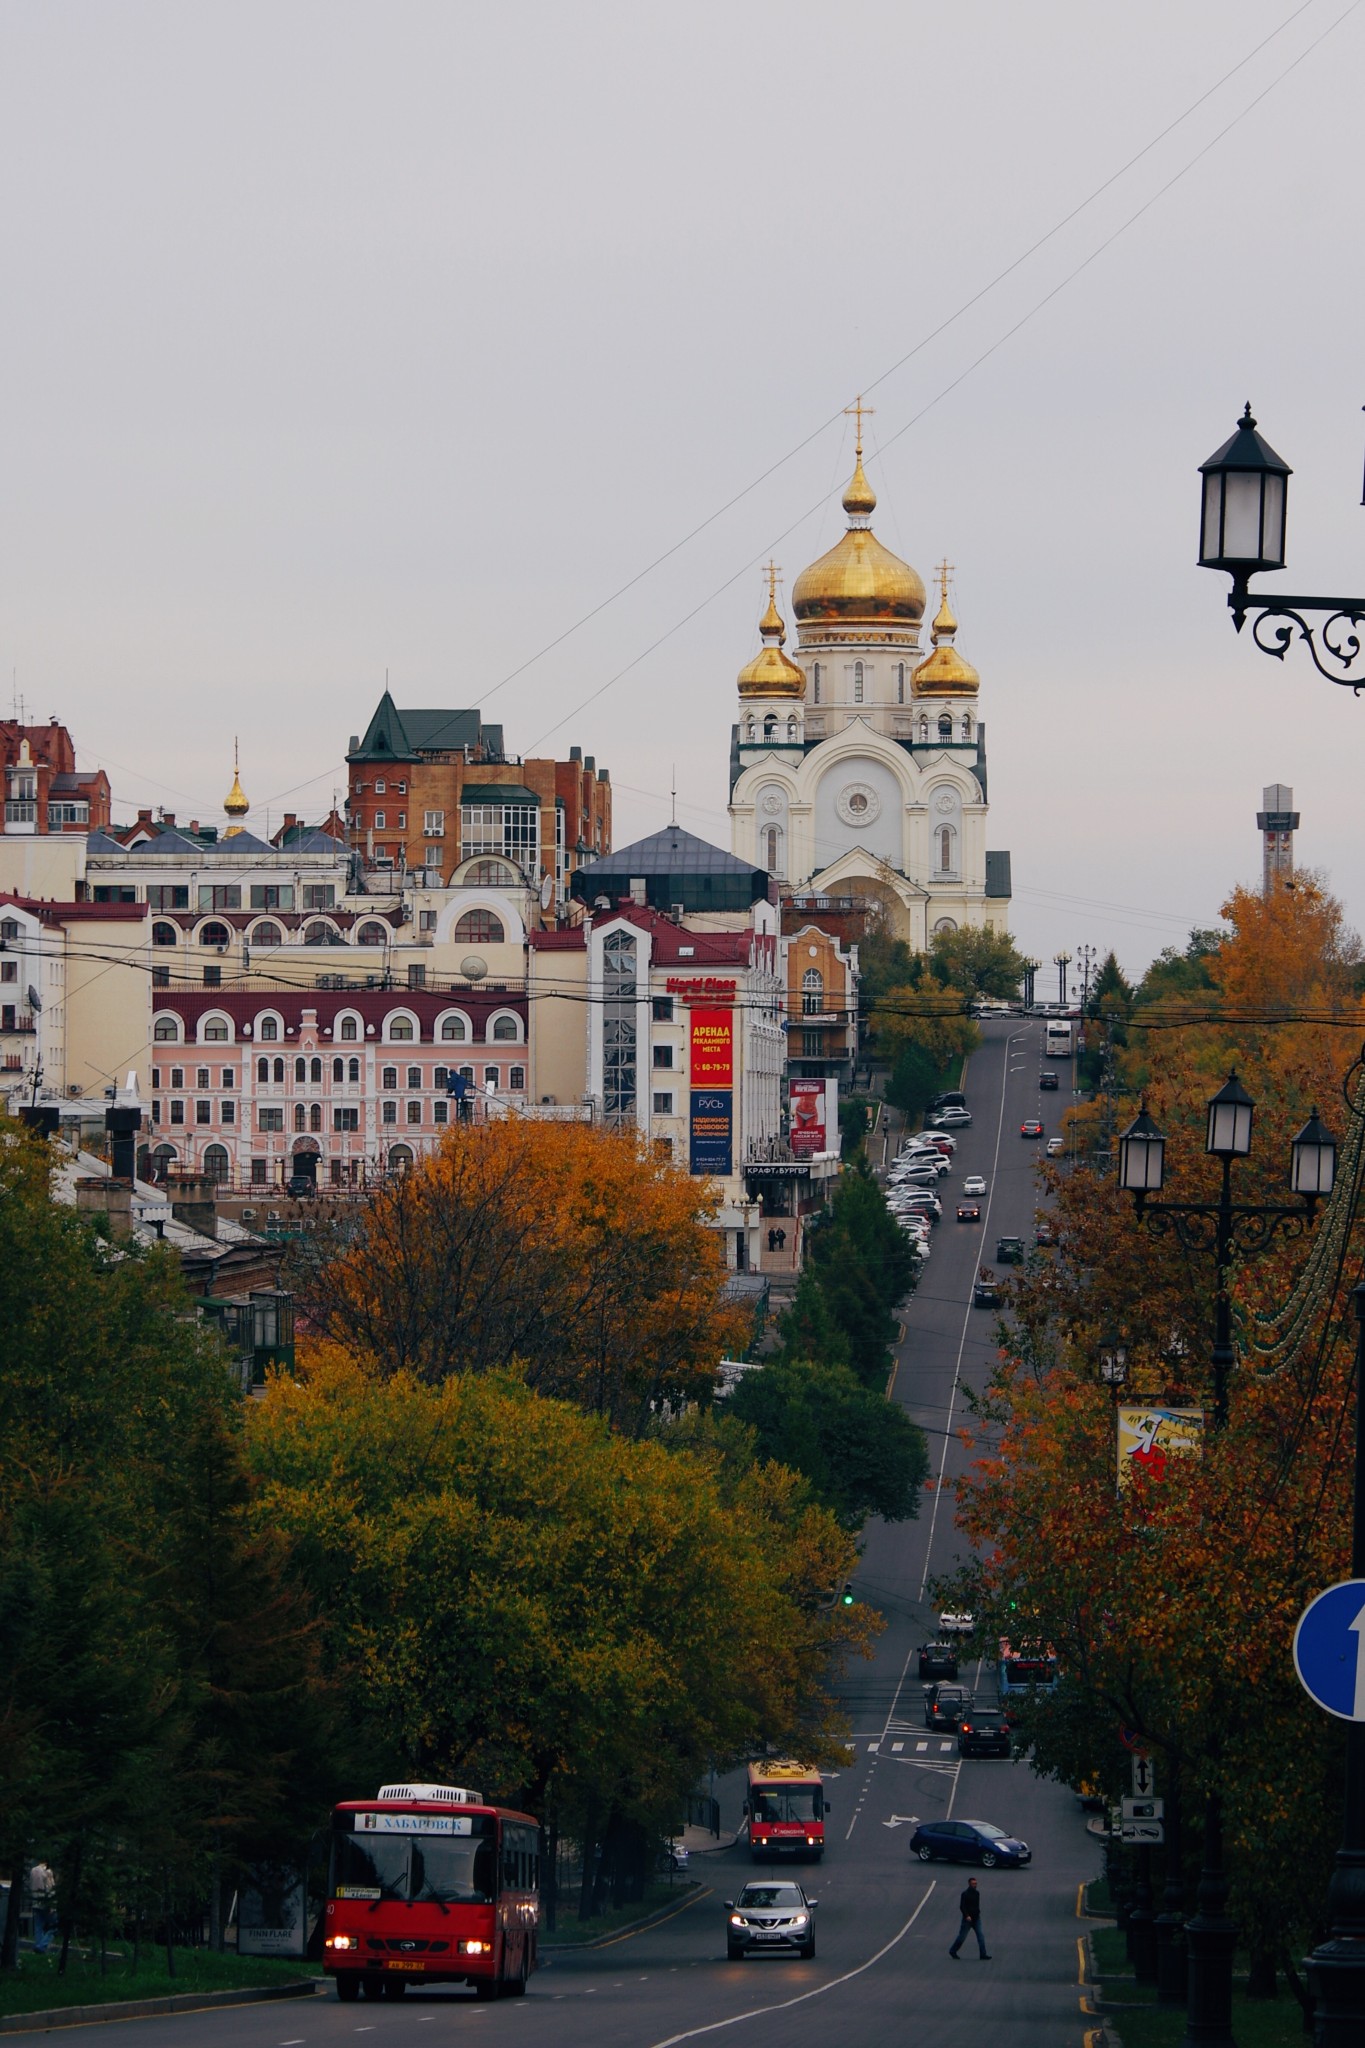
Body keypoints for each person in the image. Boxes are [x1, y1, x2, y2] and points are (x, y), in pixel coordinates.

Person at [948, 1875, 990, 1960]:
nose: (975, 1885)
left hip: (976, 1918)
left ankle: (983, 1954)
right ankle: (952, 1951)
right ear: (969, 1884)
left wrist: (977, 1913)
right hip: (967, 1920)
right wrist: (967, 1916)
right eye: (973, 1883)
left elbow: (976, 1905)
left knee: (981, 1936)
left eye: (976, 1883)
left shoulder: (977, 1893)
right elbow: (962, 1906)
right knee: (962, 1937)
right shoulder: (965, 1894)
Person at [28, 1862, 55, 1954]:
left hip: (35, 1901)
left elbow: (31, 1885)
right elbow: (49, 1889)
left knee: (38, 1926)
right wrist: (52, 1904)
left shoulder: (33, 1871)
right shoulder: (48, 1872)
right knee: (54, 1926)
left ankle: (38, 1946)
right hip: (45, 1902)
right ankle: (42, 1945)